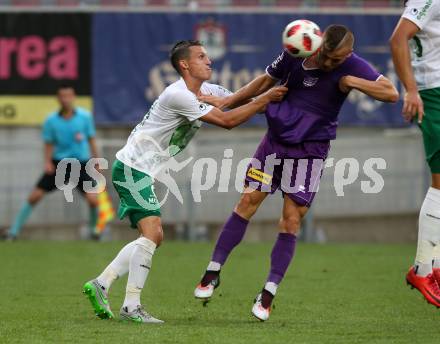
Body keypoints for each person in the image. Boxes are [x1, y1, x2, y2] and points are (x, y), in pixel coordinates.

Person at [194, 24, 399, 321]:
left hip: (310, 152)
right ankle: (212, 272)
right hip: (275, 144)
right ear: (318, 45)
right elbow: (264, 81)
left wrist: (351, 80)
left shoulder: (352, 66)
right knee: (247, 201)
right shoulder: (296, 51)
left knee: (290, 220)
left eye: (337, 60)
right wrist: (227, 102)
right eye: (327, 56)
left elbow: (391, 93)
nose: (329, 63)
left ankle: (267, 293)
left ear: (349, 55)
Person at [82, 40, 287, 323]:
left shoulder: (208, 91)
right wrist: (265, 99)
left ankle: (102, 284)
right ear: (185, 64)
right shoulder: (178, 95)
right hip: (132, 169)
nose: (209, 60)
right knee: (152, 234)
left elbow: (246, 101)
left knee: (153, 237)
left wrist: (280, 83)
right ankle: (130, 306)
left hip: (140, 170)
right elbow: (228, 121)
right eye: (202, 56)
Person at [389, 0, 440, 308]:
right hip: (434, 93)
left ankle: (433, 266)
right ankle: (422, 268)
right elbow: (397, 39)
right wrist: (410, 90)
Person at [1, 85, 100, 241]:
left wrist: (96, 160)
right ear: (58, 98)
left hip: (81, 165)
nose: (66, 99)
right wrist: (47, 162)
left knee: (93, 200)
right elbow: (48, 143)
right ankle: (13, 233)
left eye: (69, 96)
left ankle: (95, 232)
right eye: (63, 96)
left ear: (73, 97)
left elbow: (91, 139)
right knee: (34, 197)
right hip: (59, 164)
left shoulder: (85, 117)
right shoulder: (51, 120)